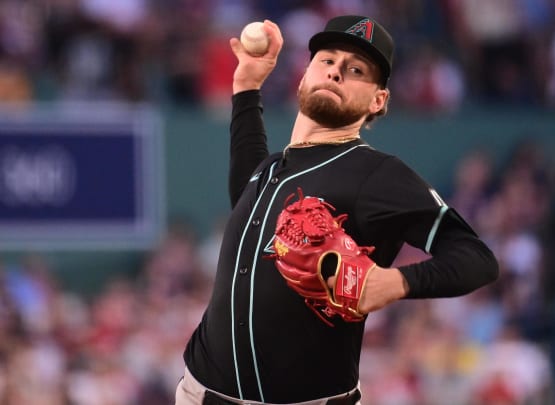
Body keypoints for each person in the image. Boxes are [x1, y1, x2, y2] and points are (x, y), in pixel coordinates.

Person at [176, 15, 499, 405]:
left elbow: (477, 258)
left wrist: (393, 283)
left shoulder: (377, 174)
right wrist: (247, 87)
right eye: (326, 60)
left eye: (356, 70)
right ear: (303, 76)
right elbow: (245, 196)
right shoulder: (272, 169)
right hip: (198, 393)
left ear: (378, 100)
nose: (335, 72)